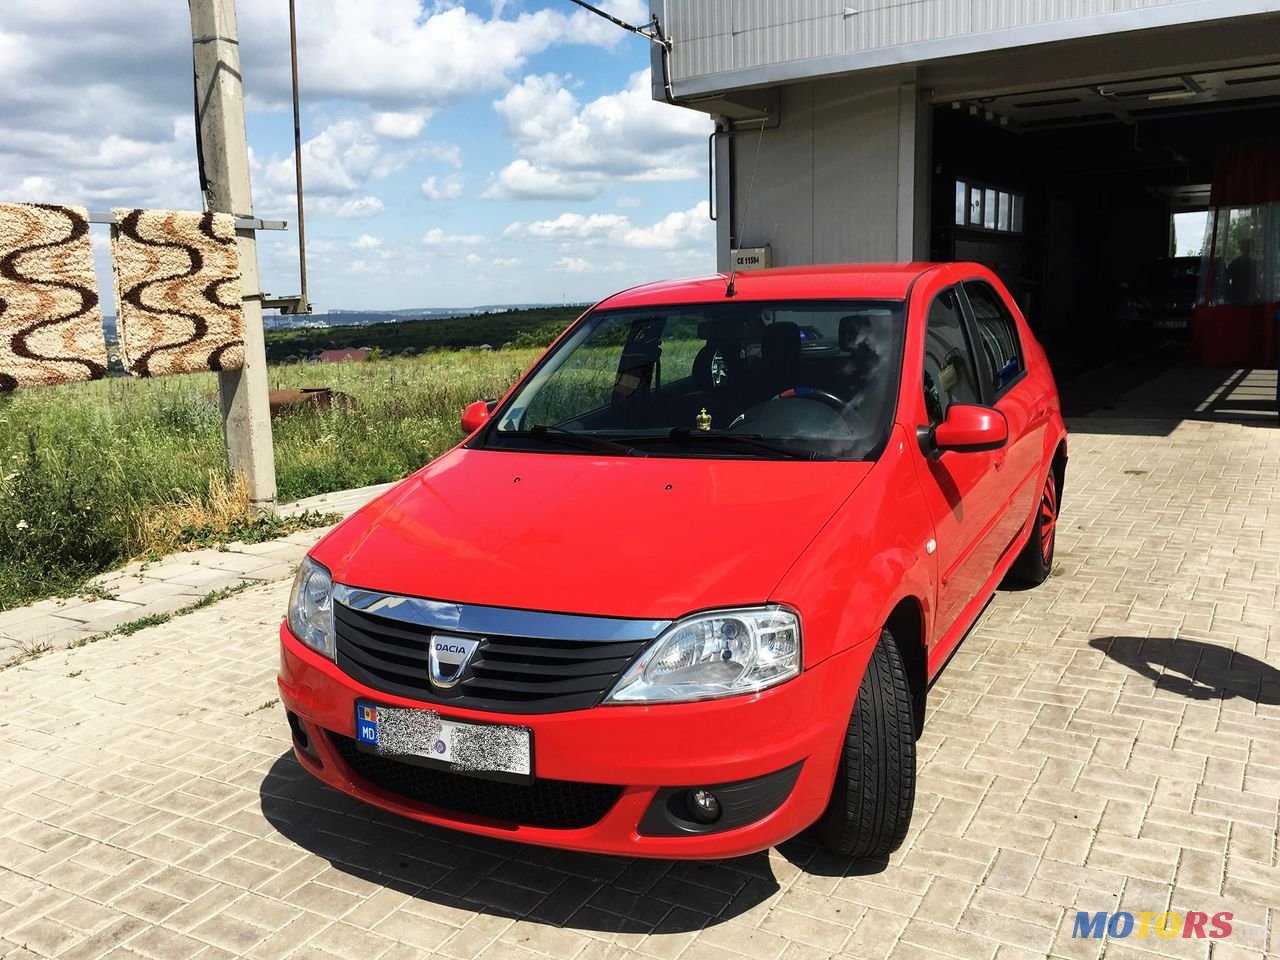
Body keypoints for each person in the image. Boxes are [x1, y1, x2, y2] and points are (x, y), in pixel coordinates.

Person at [1226, 238, 1260, 304]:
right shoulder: (1253, 264)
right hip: (1249, 301)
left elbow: (1226, 280)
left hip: (1236, 300)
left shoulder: (1235, 263)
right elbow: (1258, 283)